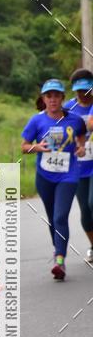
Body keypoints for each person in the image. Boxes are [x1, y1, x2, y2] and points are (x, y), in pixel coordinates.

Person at [21, 78, 86, 280]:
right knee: (52, 218)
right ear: (43, 99)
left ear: (62, 98)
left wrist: (81, 147)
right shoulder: (36, 121)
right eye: (49, 96)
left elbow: (81, 135)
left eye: (57, 96)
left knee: (60, 217)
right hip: (45, 176)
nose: (53, 99)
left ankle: (60, 259)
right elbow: (24, 147)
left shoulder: (75, 120)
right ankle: (58, 249)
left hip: (68, 174)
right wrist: (37, 148)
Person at [63, 68, 93, 263]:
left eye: (87, 90)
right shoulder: (68, 108)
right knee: (86, 212)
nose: (83, 94)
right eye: (79, 90)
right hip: (78, 167)